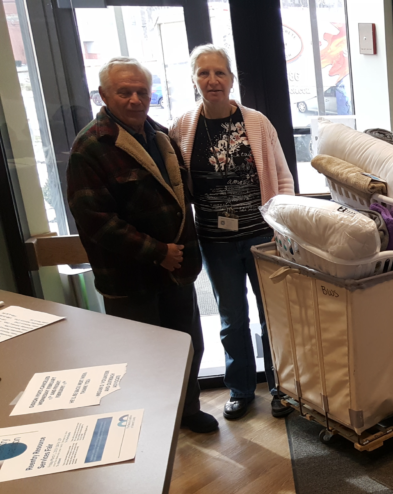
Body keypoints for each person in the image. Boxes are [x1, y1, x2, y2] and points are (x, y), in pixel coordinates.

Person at [67, 57, 218, 434]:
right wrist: (158, 252)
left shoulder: (160, 135)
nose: (135, 99)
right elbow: (96, 220)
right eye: (125, 92)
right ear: (103, 94)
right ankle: (150, 429)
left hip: (176, 271)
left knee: (186, 347)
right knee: (142, 357)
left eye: (142, 92)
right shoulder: (90, 146)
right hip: (129, 278)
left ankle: (187, 412)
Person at [170, 45, 294, 421]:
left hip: (262, 239)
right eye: (204, 73)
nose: (212, 80)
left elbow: (284, 178)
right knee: (232, 319)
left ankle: (281, 389)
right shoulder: (181, 128)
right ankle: (240, 389)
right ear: (194, 80)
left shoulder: (257, 123)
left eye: (219, 73)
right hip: (216, 242)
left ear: (231, 80)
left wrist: (284, 227)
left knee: (272, 315)